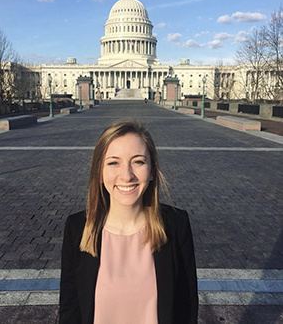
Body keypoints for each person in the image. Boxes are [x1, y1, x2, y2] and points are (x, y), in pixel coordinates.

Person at [59, 119, 198, 324]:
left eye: (138, 161)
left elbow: (186, 308)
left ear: (152, 171)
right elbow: (70, 310)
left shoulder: (176, 225)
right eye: (113, 162)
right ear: (99, 172)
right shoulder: (78, 228)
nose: (127, 175)